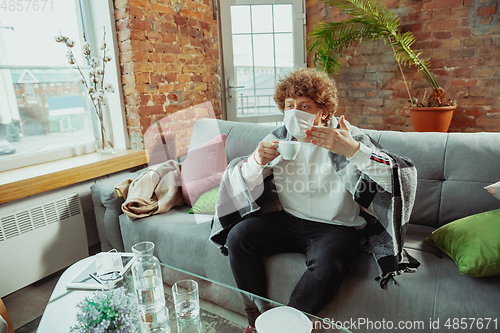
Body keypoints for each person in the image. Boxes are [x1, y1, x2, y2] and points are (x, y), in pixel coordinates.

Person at [210, 68, 419, 333]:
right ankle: (258, 319)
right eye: (289, 106)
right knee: (238, 236)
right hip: (288, 220)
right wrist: (256, 161)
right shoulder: (278, 138)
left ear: (323, 111)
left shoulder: (348, 137)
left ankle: (286, 327)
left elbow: (398, 177)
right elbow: (244, 184)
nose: (294, 112)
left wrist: (353, 151)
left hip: (336, 227)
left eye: (304, 105)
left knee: (329, 262)